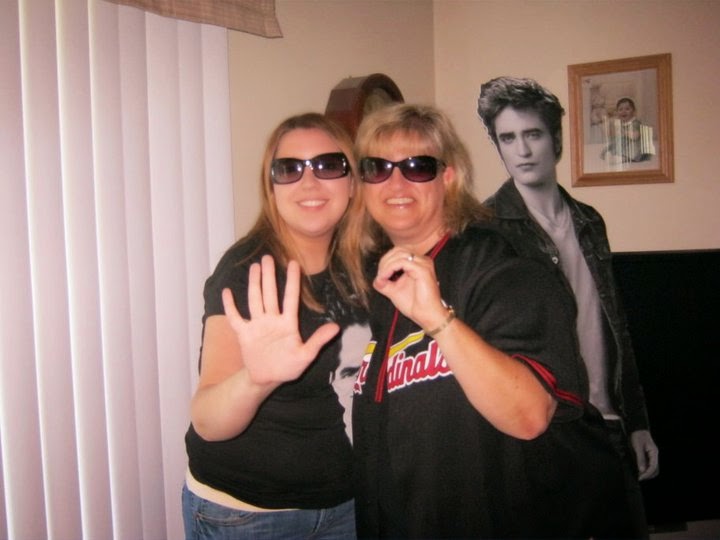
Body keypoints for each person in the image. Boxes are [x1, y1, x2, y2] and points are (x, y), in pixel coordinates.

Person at [348, 102, 634, 538]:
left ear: (448, 177)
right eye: (378, 167)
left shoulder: (504, 263)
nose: (396, 182)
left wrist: (439, 320)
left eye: (417, 166)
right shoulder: (376, 275)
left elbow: (529, 415)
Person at [477, 76, 660, 538]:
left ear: (556, 139)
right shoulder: (485, 230)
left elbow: (616, 326)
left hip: (609, 425)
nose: (522, 150)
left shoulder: (589, 221)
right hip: (546, 436)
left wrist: (637, 422)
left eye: (533, 134)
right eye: (508, 138)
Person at [182, 112, 370, 539]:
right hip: (250, 516)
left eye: (328, 165)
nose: (309, 182)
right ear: (271, 188)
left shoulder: (366, 262)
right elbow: (209, 421)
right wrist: (257, 379)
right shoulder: (247, 273)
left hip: (349, 504)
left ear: (352, 182)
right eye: (289, 169)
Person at [601, 97, 655, 164]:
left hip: (634, 143)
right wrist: (607, 125)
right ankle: (612, 155)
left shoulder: (635, 122)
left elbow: (635, 136)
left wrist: (624, 132)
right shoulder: (619, 123)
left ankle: (623, 158)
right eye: (620, 109)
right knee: (613, 145)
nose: (623, 111)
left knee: (633, 149)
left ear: (634, 111)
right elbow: (610, 134)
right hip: (624, 143)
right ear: (617, 112)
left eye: (627, 109)